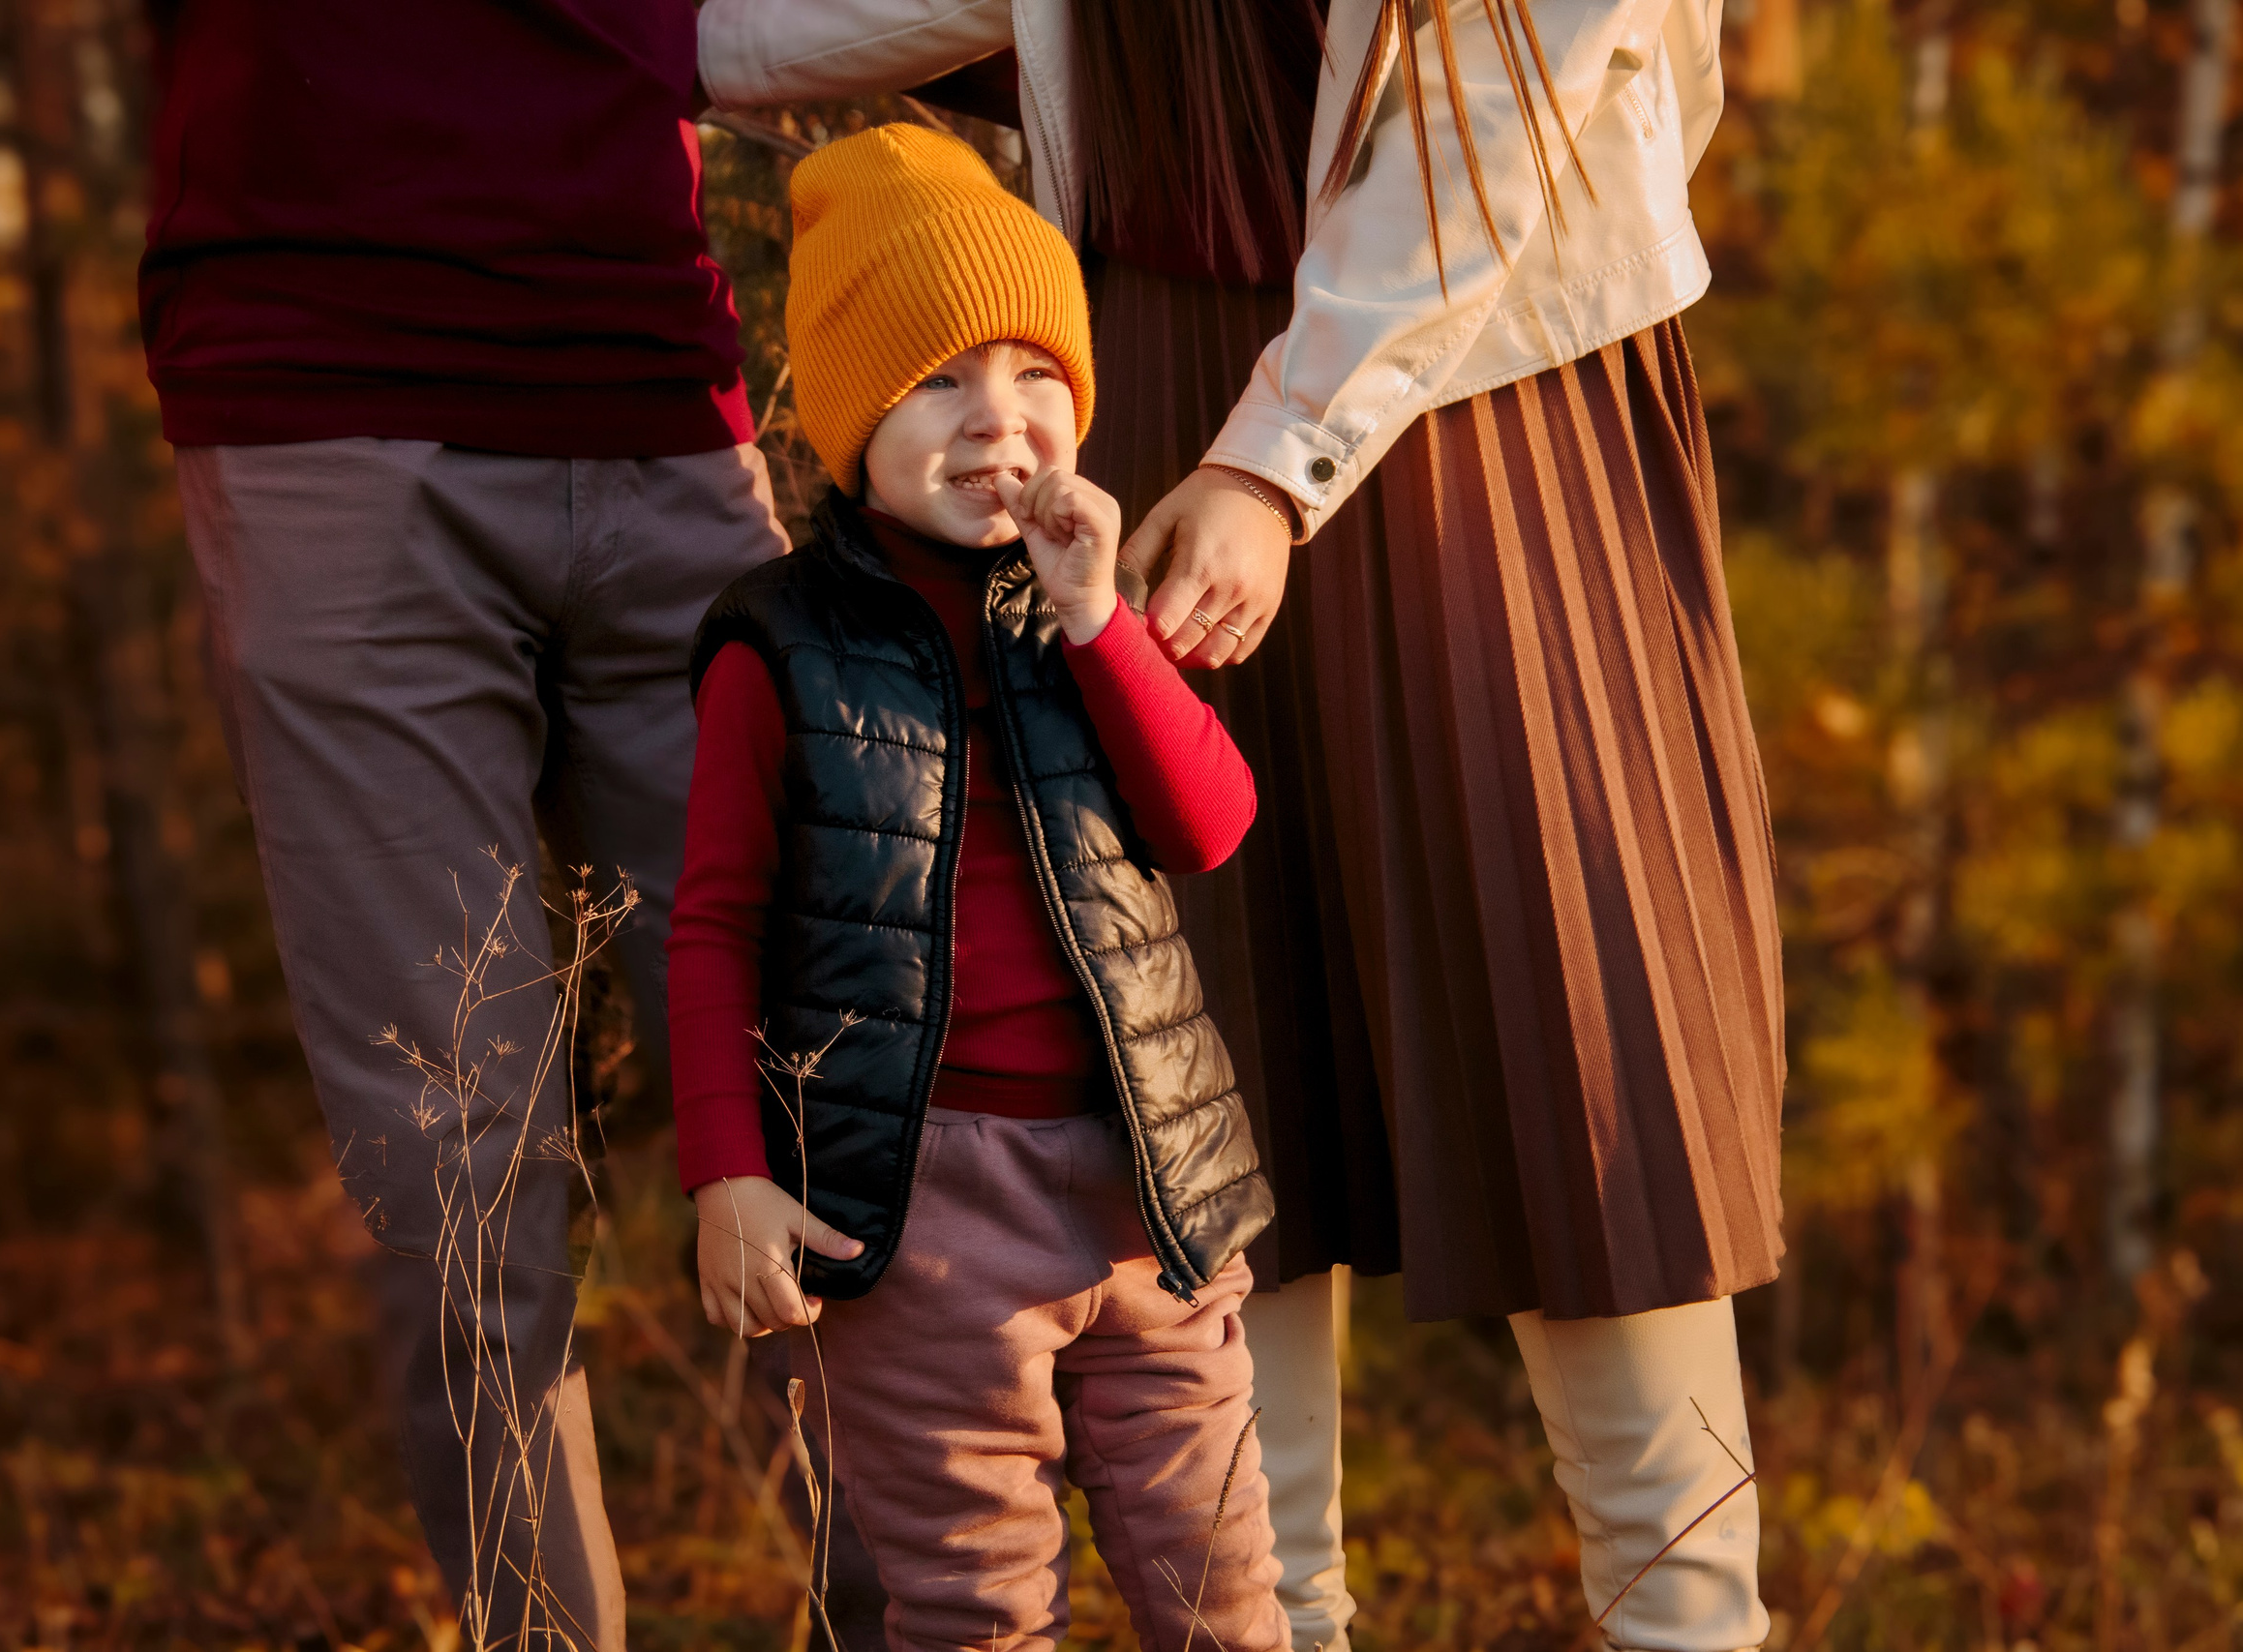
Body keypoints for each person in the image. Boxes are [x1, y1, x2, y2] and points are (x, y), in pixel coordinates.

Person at [698, 4, 1780, 1651]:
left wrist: (1276, 464)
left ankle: (1686, 1628)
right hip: (1144, 381)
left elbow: (1504, 109)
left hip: (1484, 379)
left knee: (1586, 1064)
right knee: (1202, 1061)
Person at [139, 3, 789, 1644]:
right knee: (454, 1169)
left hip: (655, 383)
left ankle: (931, 1617)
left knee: (839, 1080)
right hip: (318, 397)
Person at [667, 124, 1288, 1652]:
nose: (998, 425)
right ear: (854, 417)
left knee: (1220, 1587)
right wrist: (727, 1168)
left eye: (1035, 379)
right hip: (919, 1203)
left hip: (1144, 1186)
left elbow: (1210, 824)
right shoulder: (777, 641)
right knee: (969, 1603)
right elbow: (716, 921)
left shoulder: (1088, 605)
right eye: (941, 381)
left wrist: (1100, 627)